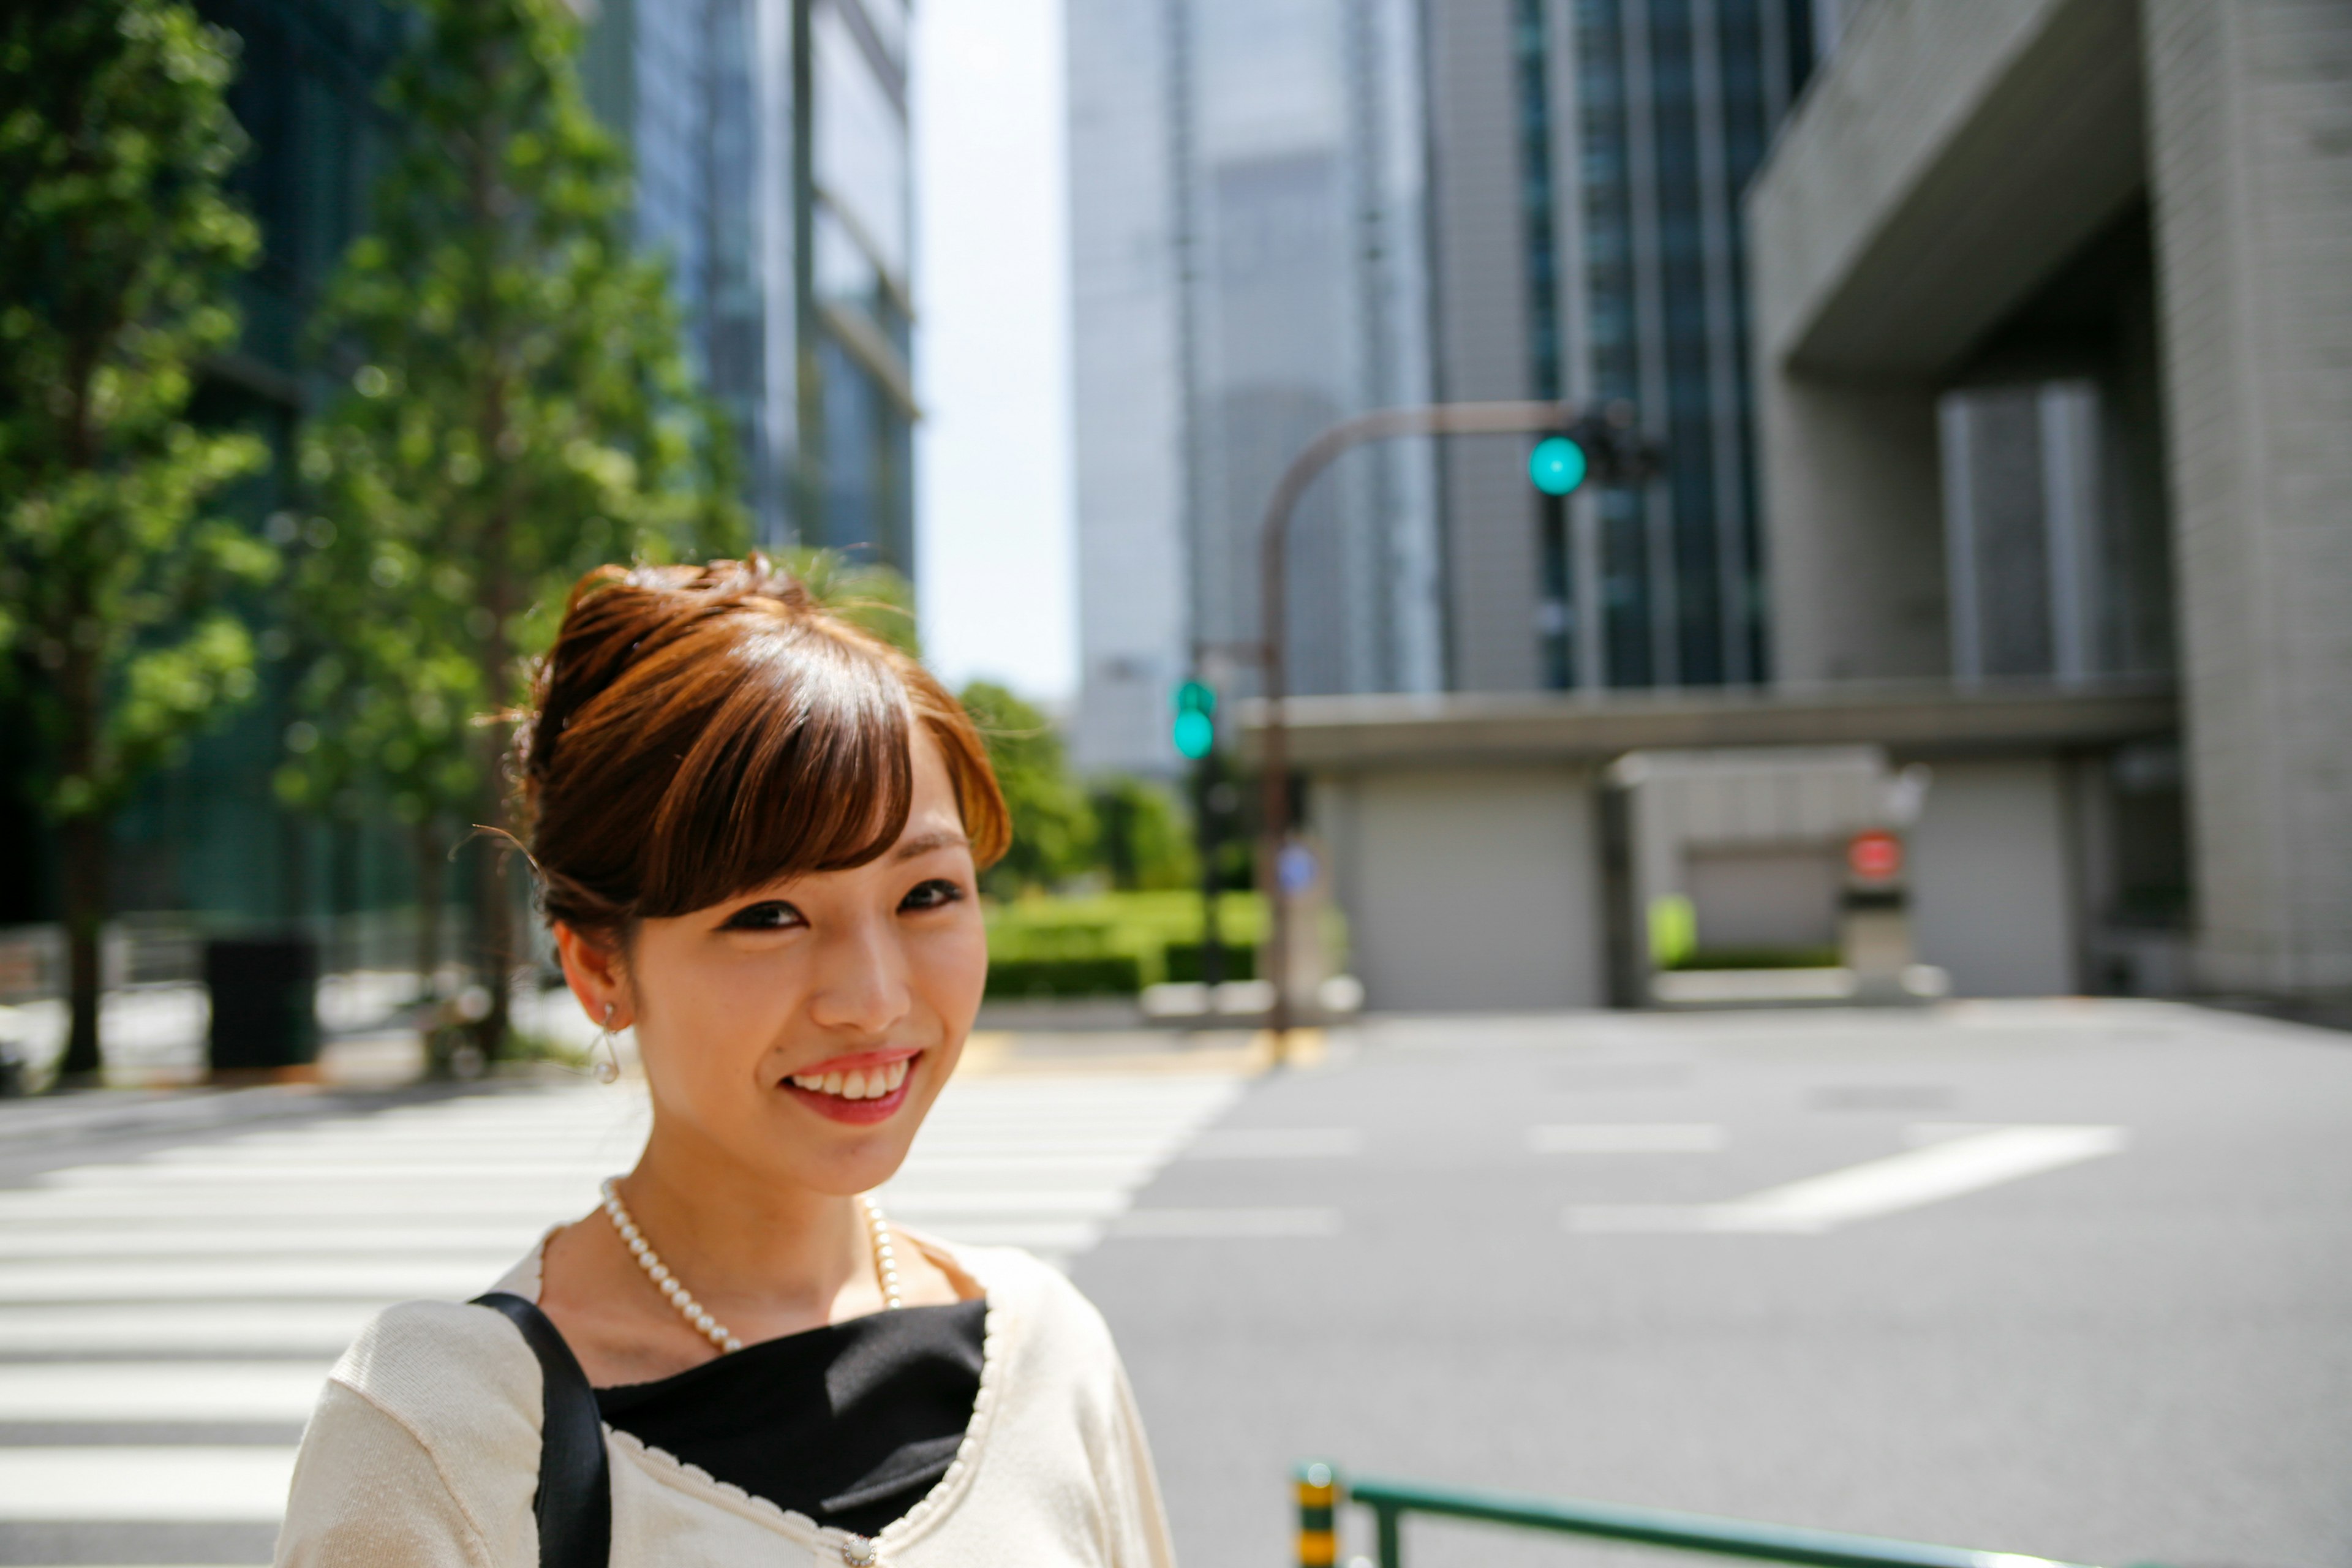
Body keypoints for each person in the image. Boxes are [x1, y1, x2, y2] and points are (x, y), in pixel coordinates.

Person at [277, 559, 1177, 1567]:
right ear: (596, 963)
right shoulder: (443, 1431)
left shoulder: (1049, 1354)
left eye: (926, 895)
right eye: (769, 915)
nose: (875, 999)